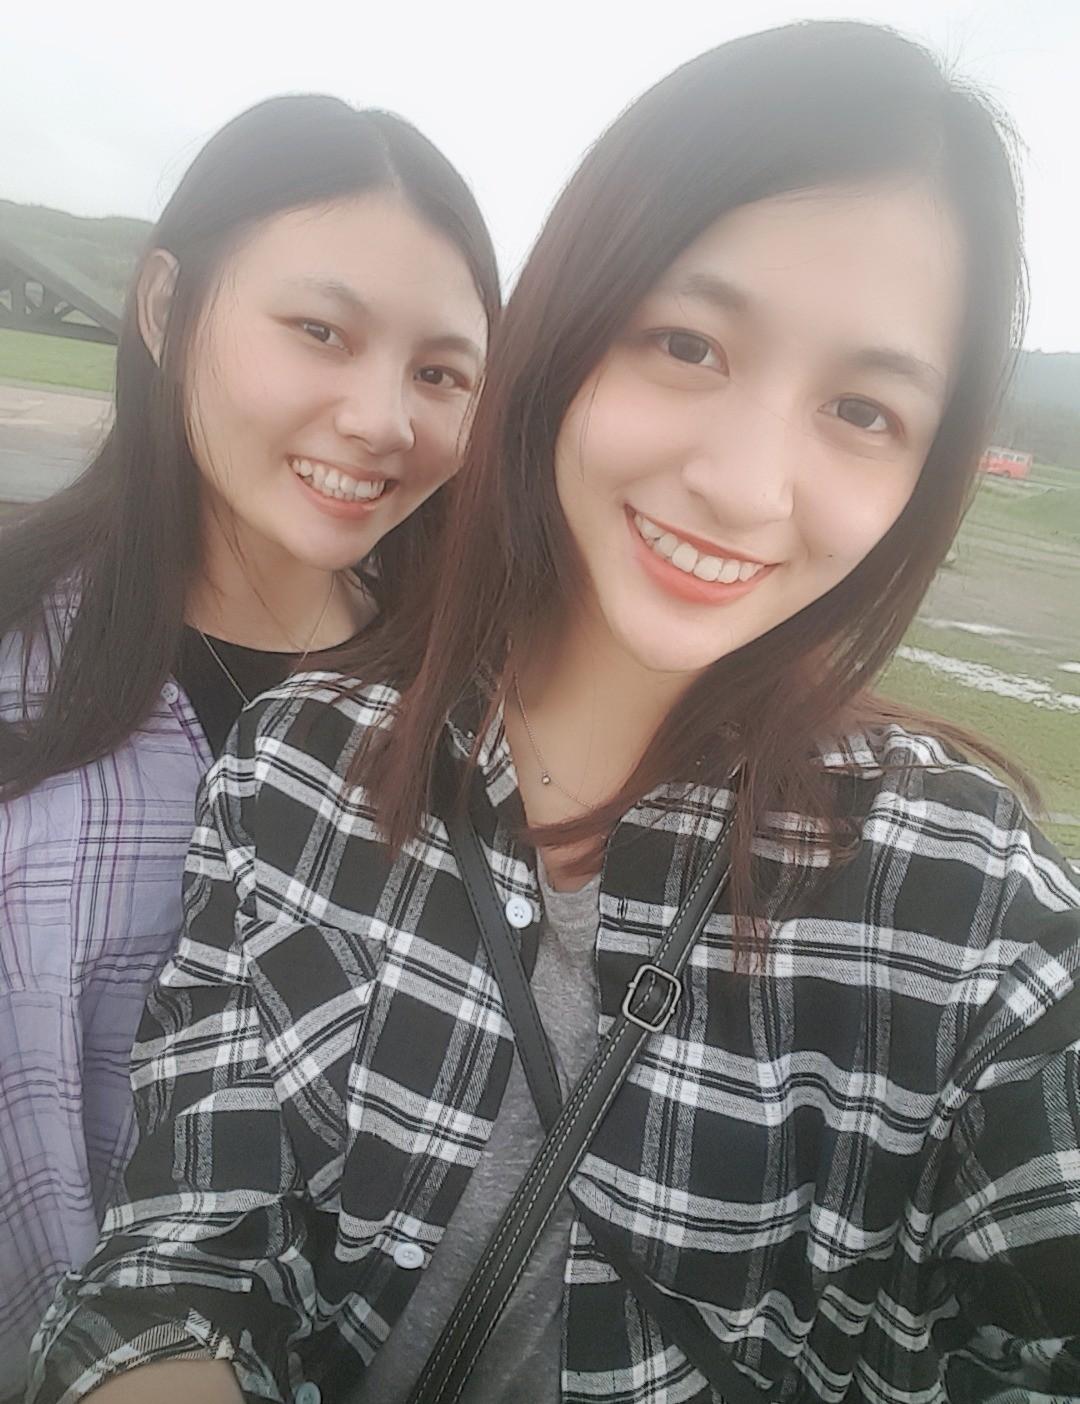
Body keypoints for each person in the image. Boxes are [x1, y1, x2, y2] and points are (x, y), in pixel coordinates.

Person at [29, 22, 1080, 1404]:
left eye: (864, 410)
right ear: (570, 338)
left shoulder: (966, 900)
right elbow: (182, 1255)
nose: (744, 485)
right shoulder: (299, 767)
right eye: (689, 343)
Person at [0, 95, 497, 1398]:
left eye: (441, 372)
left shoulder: (481, 714)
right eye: (321, 331)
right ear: (166, 308)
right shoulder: (18, 639)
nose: (383, 418)